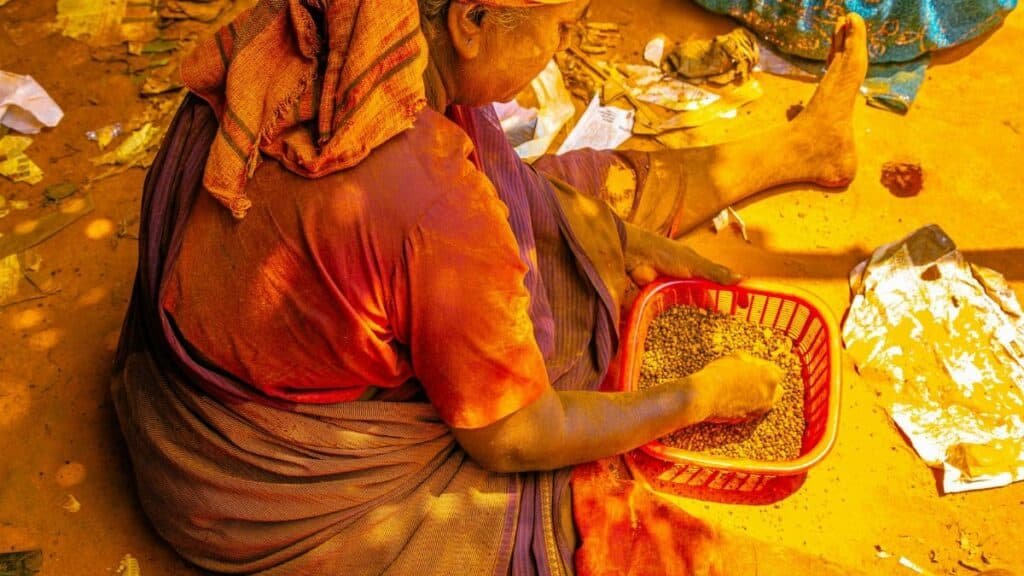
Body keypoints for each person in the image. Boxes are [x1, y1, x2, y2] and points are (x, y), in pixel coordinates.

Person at [111, 0, 868, 574]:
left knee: (559, 198)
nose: (562, 48)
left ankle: (801, 146)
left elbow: (505, 200)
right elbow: (512, 438)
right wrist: (703, 396)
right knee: (588, 520)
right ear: (472, 21)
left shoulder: (334, 25)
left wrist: (605, 233)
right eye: (559, 26)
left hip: (179, 381)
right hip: (266, 494)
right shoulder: (437, 208)